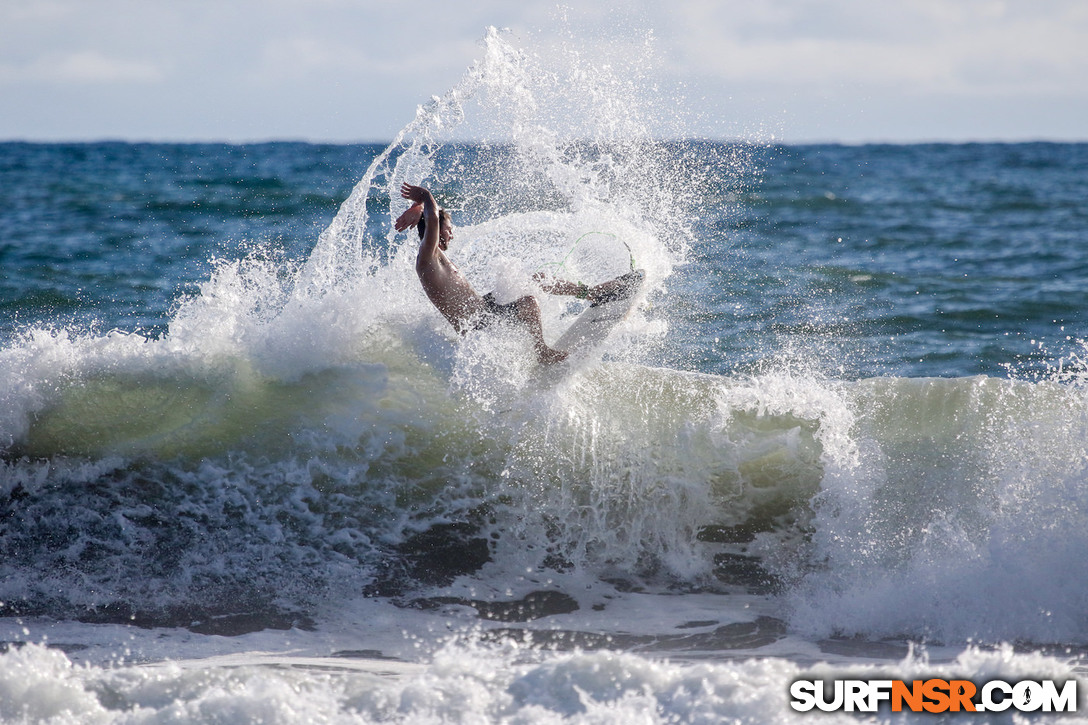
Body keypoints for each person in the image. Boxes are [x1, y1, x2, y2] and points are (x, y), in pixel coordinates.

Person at [395, 182, 633, 365]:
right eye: (449, 230)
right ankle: (542, 353)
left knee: (538, 280)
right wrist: (424, 198)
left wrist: (421, 213)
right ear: (436, 231)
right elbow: (434, 220)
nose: (452, 235)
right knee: (529, 302)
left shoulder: (436, 255)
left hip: (484, 308)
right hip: (479, 324)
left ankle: (592, 293)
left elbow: (432, 219)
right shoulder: (427, 259)